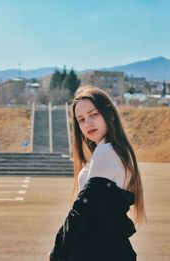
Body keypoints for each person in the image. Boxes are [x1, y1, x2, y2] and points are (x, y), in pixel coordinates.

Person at [48, 85, 146, 261]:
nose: (88, 123)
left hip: (98, 250)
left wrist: (56, 252)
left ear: (109, 115)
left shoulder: (106, 152)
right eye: (81, 119)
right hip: (109, 248)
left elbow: (82, 211)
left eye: (93, 115)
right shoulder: (118, 151)